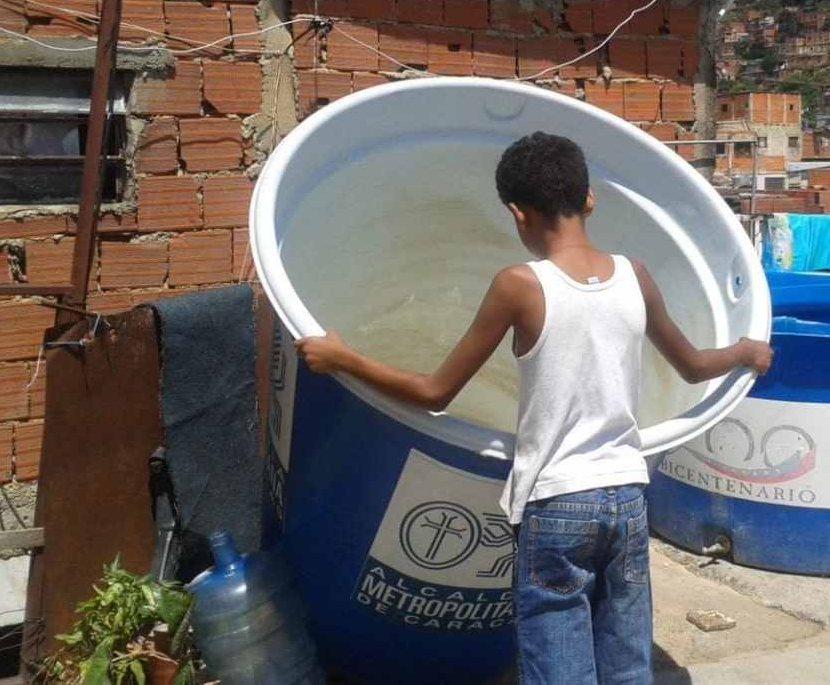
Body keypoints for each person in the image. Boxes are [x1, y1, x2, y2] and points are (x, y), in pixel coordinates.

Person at [296, 131, 773, 685]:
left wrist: (342, 357)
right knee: (626, 660)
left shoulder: (519, 286)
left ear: (518, 215)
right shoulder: (634, 276)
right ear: (589, 199)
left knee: (559, 664)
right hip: (625, 496)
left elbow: (434, 393)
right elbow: (691, 365)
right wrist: (742, 351)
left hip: (557, 503)